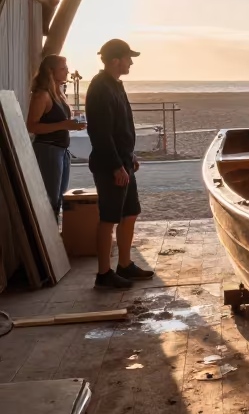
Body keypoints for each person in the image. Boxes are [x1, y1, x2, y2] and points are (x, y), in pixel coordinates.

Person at [86, 39, 154, 290]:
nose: (131, 62)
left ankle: (124, 265)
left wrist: (129, 156)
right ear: (115, 60)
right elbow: (100, 132)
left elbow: (120, 127)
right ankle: (103, 274)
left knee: (130, 213)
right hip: (109, 165)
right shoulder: (100, 87)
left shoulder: (115, 85)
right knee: (109, 218)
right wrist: (116, 165)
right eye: (128, 58)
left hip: (123, 161)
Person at [26, 54, 85, 221]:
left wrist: (73, 120)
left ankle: (53, 235)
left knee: (59, 198)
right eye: (63, 68)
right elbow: (31, 126)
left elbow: (60, 120)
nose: (67, 71)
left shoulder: (58, 93)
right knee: (50, 199)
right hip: (48, 150)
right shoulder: (42, 95)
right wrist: (64, 125)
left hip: (62, 151)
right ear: (51, 72)